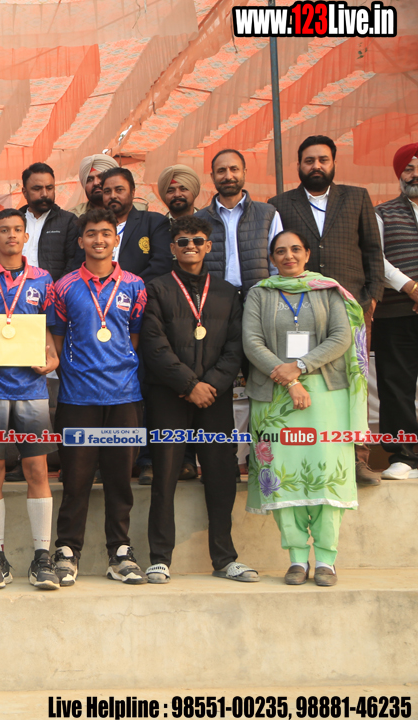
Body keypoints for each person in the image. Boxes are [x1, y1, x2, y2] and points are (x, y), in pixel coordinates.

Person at [243, 230, 365, 587]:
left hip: (326, 394)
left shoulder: (328, 291)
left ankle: (326, 560)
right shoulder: (260, 293)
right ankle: (297, 558)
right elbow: (252, 342)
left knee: (325, 473)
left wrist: (300, 366)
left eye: (296, 249)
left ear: (308, 254)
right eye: (280, 251)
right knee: (282, 474)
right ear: (272, 258)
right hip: (274, 394)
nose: (289, 256)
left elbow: (341, 337)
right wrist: (289, 380)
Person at [139, 216, 257, 584]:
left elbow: (236, 347)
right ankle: (160, 558)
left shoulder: (227, 292)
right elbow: (153, 345)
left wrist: (211, 385)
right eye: (183, 241)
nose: (190, 246)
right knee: (165, 475)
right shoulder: (156, 289)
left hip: (214, 398)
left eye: (197, 240)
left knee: (221, 474)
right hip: (169, 395)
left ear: (208, 246)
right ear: (172, 248)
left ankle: (225, 558)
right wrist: (189, 384)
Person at [269, 135, 384, 486]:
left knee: (354, 382)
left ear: (333, 163)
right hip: (301, 309)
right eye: (309, 160)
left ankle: (357, 459)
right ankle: (312, 455)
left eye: (323, 159)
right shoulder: (280, 204)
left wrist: (372, 297)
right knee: (310, 380)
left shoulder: (357, 197)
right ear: (298, 165)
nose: (316, 166)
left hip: (352, 306)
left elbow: (372, 250)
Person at [49, 207, 148, 586]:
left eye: (106, 233)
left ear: (116, 239)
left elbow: (133, 338)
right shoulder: (64, 287)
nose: (99, 240)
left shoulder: (135, 286)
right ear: (81, 241)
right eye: (91, 234)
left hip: (124, 397)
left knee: (120, 479)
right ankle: (67, 551)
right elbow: (57, 341)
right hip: (78, 399)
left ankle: (119, 553)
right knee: (76, 480)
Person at [0, 209, 61, 591]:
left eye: (17, 230)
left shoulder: (42, 278)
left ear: (26, 237)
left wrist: (52, 358)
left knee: (37, 469)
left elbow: (48, 327)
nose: (10, 235)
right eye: (3, 230)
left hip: (31, 388)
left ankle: (42, 557)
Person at [373, 144, 418, 481]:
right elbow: (378, 259)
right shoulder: (382, 213)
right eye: (409, 169)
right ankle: (404, 456)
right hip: (397, 312)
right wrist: (411, 288)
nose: (415, 175)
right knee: (395, 384)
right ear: (399, 175)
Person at [196, 149, 283, 298]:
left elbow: (278, 265)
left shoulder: (268, 215)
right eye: (221, 171)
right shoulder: (199, 220)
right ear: (212, 176)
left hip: (259, 299)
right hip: (213, 300)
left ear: (244, 172)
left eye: (234, 169)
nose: (228, 176)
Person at [18, 162, 81, 283]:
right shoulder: (12, 222)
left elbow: (73, 263)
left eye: (49, 188)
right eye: (37, 189)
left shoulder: (68, 221)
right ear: (24, 192)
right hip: (16, 290)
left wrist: (56, 289)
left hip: (54, 291)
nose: (44, 194)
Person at [70, 154, 147, 217]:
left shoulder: (140, 212)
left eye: (101, 177)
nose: (96, 183)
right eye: (89, 180)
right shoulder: (74, 216)